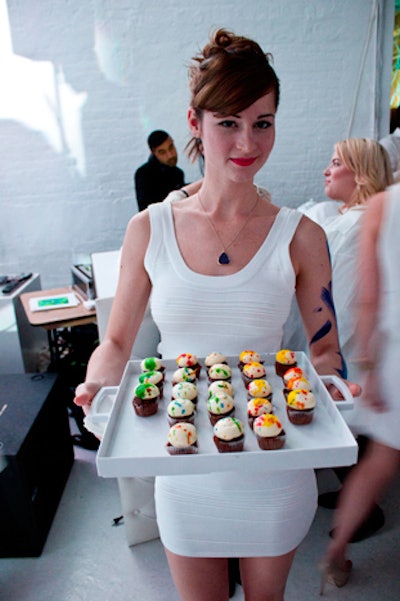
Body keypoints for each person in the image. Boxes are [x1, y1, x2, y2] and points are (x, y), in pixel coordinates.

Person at [75, 29, 359, 601]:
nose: (247, 141)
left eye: (263, 121)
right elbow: (117, 343)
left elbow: (324, 350)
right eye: (228, 122)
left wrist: (333, 385)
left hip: (275, 475)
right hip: (184, 472)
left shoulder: (302, 236)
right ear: (195, 122)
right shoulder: (148, 229)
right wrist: (98, 382)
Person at [286, 139, 393, 540]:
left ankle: (364, 511)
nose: (326, 171)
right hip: (352, 348)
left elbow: (341, 301)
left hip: (349, 349)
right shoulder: (350, 217)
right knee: (347, 426)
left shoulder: (357, 225)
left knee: (343, 424)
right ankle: (355, 496)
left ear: (361, 175)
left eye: (335, 163)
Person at [319, 182, 400, 593]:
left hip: (394, 356)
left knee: (377, 463)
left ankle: (336, 555)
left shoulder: (383, 206)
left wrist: (369, 366)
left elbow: (366, 301)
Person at [134, 129, 185, 211]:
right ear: (153, 152)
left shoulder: (178, 173)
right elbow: (145, 211)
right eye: (162, 152)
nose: (170, 155)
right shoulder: (144, 174)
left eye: (171, 147)